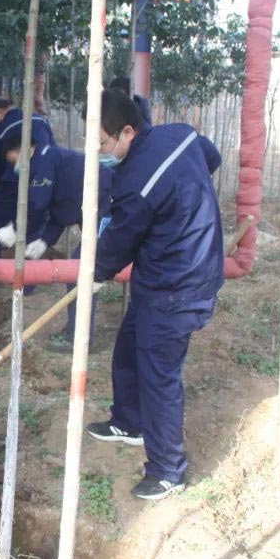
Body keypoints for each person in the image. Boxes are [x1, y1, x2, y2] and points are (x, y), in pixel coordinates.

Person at [87, 88, 224, 501]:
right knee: (128, 348)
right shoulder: (180, 134)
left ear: (127, 131)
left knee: (158, 375)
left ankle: (167, 470)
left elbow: (120, 240)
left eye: (104, 143)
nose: (100, 152)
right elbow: (211, 157)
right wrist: (184, 201)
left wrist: (95, 273)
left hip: (179, 286)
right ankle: (129, 422)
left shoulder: (135, 183)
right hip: (160, 275)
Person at [0, 133, 112, 351]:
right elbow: (61, 210)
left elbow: (38, 202)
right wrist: (44, 240)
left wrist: (15, 227)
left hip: (108, 206)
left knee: (81, 271)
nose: (14, 165)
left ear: (22, 149)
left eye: (13, 159)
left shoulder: (43, 161)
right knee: (79, 269)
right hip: (96, 206)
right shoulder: (47, 160)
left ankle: (79, 338)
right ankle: (76, 330)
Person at [0, 101, 56, 257]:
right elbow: (53, 150)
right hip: (42, 182)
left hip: (13, 182)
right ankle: (28, 278)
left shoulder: (2, 129)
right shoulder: (41, 121)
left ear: (1, 111)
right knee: (32, 224)